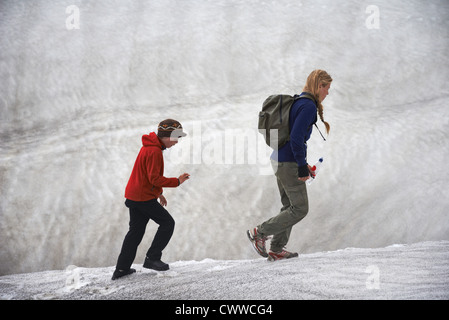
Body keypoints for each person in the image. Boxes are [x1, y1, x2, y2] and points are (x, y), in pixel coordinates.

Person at [248, 70, 332, 261]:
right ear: (319, 86)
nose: (327, 93)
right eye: (327, 89)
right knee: (300, 208)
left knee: (289, 206)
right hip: (288, 162)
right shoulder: (309, 107)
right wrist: (301, 166)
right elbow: (295, 138)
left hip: (279, 159)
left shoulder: (298, 102)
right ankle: (259, 232)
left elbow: (292, 139)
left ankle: (276, 249)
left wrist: (303, 164)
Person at [112, 119, 190, 280]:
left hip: (135, 196)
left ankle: (121, 269)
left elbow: (145, 177)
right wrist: (177, 181)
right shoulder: (154, 151)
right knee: (168, 223)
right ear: (167, 136)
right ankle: (152, 258)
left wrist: (158, 193)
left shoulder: (148, 147)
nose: (177, 142)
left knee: (135, 233)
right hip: (143, 198)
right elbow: (154, 178)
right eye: (176, 137)